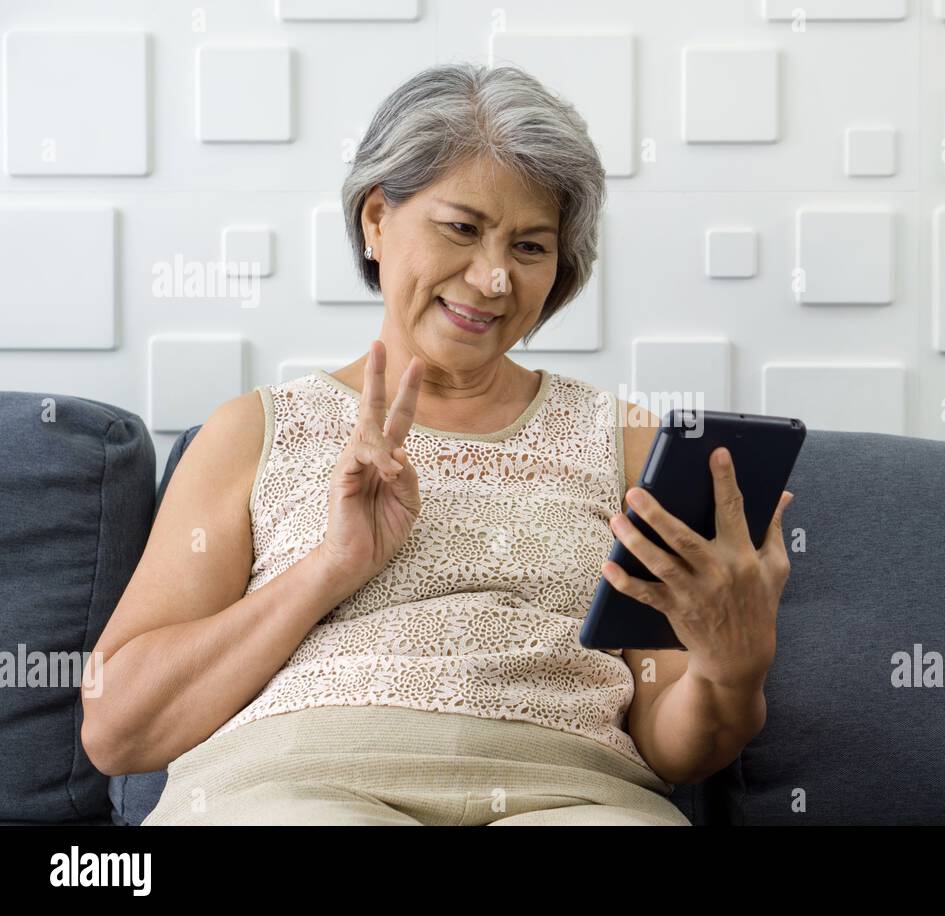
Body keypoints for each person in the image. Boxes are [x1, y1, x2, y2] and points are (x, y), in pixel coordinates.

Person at [81, 62, 794, 826]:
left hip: (572, 796)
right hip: (296, 790)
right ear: (377, 220)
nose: (492, 279)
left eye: (529, 247)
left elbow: (674, 746)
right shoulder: (254, 430)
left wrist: (731, 666)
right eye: (462, 228)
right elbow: (119, 730)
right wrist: (331, 568)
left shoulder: (625, 440)